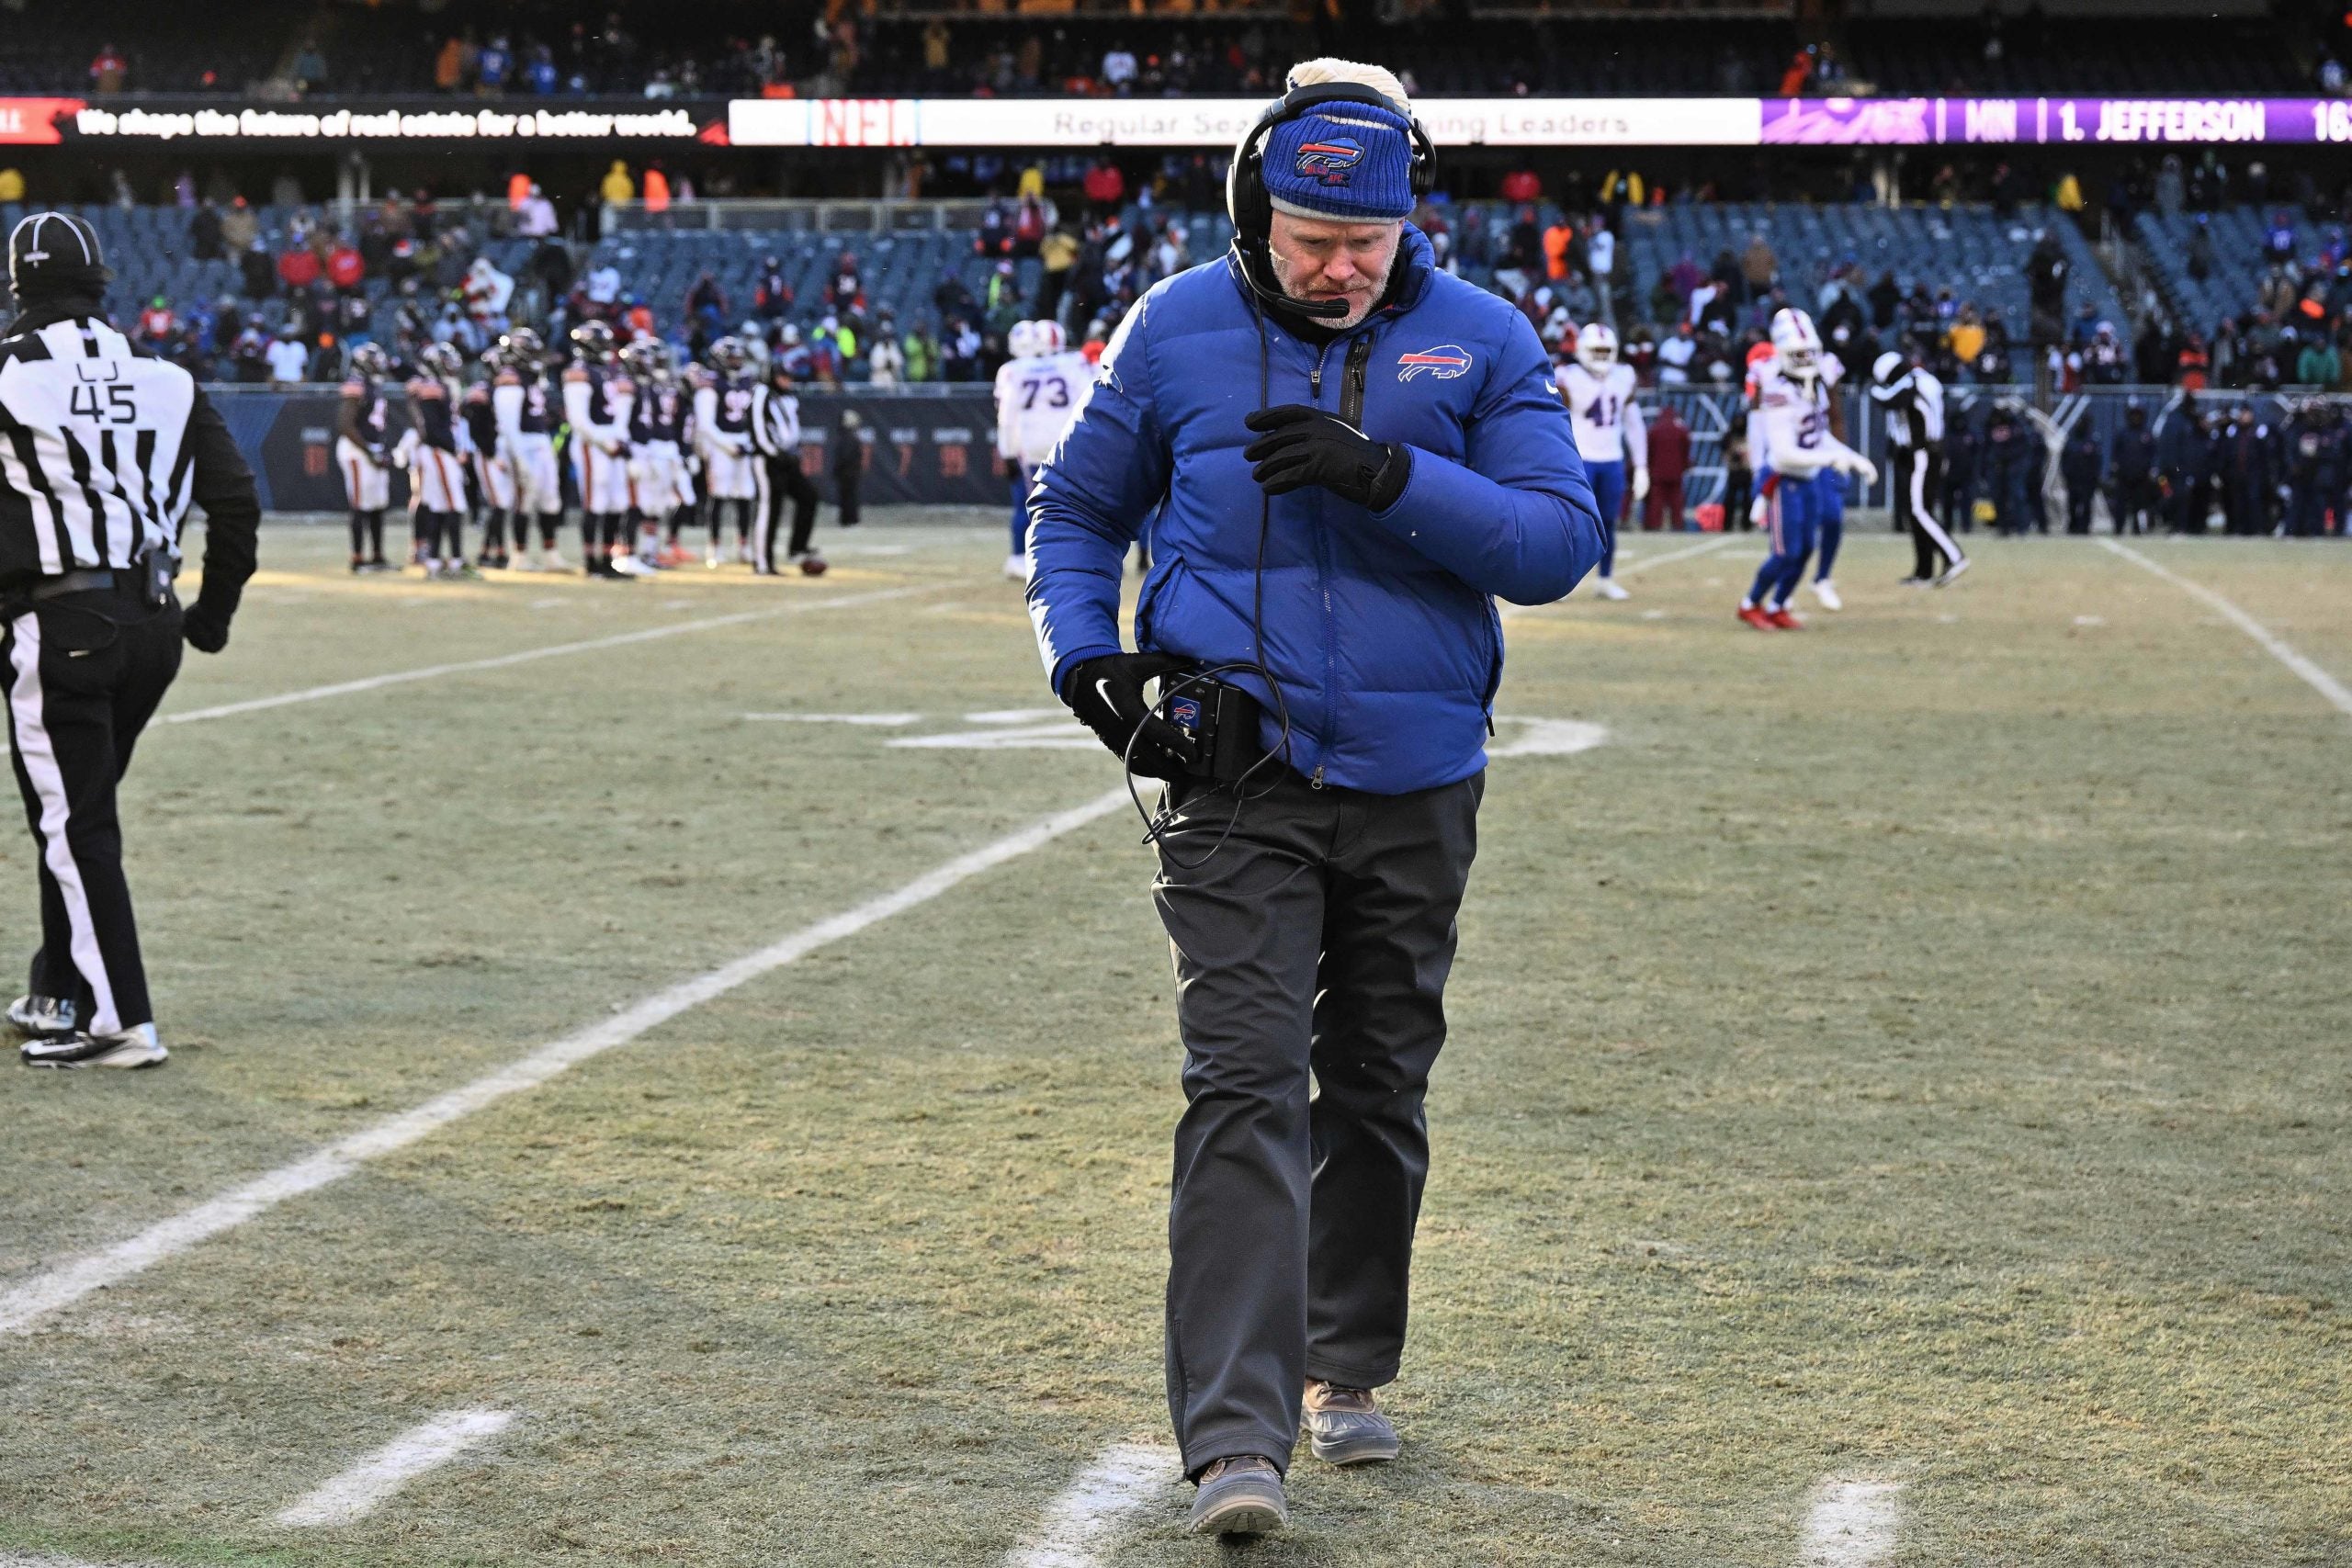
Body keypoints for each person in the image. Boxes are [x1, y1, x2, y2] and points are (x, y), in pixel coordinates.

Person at [1024, 62, 1602, 1537]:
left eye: (1370, 240)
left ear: (1411, 220)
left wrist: (1386, 473)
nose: (1342, 267)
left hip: (1419, 778)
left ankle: (1349, 1363)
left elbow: (1554, 543)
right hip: (1236, 776)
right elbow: (1078, 509)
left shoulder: (1482, 338)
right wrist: (1085, 649)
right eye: (1310, 238)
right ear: (1253, 211)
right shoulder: (1173, 327)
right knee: (1240, 1081)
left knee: (1379, 1083)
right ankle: (1236, 1435)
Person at [0, 212, 259, 1068]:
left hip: (62, 622)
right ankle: (58, 987)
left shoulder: (6, 373)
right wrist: (210, 616)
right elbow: (236, 502)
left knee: (74, 825)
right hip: (153, 626)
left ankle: (119, 1020)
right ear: (102, 280)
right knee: (75, 814)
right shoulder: (167, 377)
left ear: (18, 288)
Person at [1737, 309, 1875, 629]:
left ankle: (1778, 604)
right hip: (1784, 480)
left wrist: (1852, 457)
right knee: (1786, 552)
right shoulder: (1776, 387)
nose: (1805, 359)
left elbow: (1818, 436)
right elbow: (1784, 453)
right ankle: (1749, 603)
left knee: (1806, 549)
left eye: (1809, 352)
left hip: (1809, 477)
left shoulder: (1812, 383)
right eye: (1797, 354)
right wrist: (1829, 459)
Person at [993, 318, 1095, 580]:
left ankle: (1020, 557)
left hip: (1031, 446)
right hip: (1066, 442)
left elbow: (1007, 414)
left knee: (1027, 505)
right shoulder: (1074, 363)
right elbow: (1093, 393)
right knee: (1071, 505)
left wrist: (1006, 451)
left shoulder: (1013, 370)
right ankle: (1070, 557)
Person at [1558, 323, 1644, 600]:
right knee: (1572, 523)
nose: (1601, 356)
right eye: (1596, 350)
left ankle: (1605, 579)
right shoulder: (1566, 377)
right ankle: (1559, 581)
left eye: (1606, 350)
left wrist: (1641, 465)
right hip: (1579, 460)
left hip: (1612, 459)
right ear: (1582, 350)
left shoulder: (1624, 376)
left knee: (1608, 522)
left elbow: (1634, 423)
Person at [1870, 349, 1965, 585]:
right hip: (1924, 452)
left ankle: (1954, 556)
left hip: (1923, 453)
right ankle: (1924, 571)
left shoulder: (1911, 383)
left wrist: (1872, 388)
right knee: (1916, 513)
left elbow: (1890, 400)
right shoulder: (1924, 379)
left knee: (1920, 511)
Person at [561, 320, 643, 578]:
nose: (607, 348)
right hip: (591, 444)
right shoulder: (579, 372)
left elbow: (616, 415)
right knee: (595, 503)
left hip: (610, 442)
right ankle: (591, 562)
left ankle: (607, 559)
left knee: (615, 504)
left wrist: (621, 444)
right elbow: (578, 420)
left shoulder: (606, 372)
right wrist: (606, 442)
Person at [491, 327, 568, 570]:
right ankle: (519, 556)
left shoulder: (531, 378)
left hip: (539, 442)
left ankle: (550, 554)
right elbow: (509, 425)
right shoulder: (510, 379)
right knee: (523, 501)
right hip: (521, 444)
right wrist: (520, 457)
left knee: (549, 500)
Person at [401, 342, 473, 576]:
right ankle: (455, 561)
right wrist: (453, 450)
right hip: (438, 452)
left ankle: (434, 560)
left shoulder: (438, 386)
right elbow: (432, 428)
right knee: (452, 505)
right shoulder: (431, 387)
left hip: (437, 451)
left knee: (439, 507)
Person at [622, 339, 695, 569]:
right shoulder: (634, 386)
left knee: (659, 504)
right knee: (641, 503)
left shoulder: (663, 385)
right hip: (645, 448)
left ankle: (649, 552)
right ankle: (630, 551)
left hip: (662, 448)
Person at [692, 336, 759, 566]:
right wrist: (728, 445)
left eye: (739, 357)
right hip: (720, 444)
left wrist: (749, 442)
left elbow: (754, 418)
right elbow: (706, 423)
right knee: (718, 495)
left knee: (745, 496)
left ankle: (744, 546)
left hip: (744, 441)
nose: (737, 362)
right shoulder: (710, 384)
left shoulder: (748, 382)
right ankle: (715, 546)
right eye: (732, 358)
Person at [749, 355, 820, 573]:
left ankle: (797, 548)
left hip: (787, 458)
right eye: (782, 376)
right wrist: (772, 451)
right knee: (769, 508)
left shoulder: (787, 397)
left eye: (789, 376)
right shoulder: (762, 393)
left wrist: (793, 451)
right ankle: (762, 561)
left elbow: (791, 429)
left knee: (809, 496)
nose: (787, 380)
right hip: (768, 459)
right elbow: (757, 426)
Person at [336, 343, 396, 571]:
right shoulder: (356, 385)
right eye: (374, 361)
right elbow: (345, 425)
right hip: (356, 451)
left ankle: (378, 557)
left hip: (371, 448)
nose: (379, 365)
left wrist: (379, 448)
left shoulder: (374, 385)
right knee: (360, 505)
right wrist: (370, 451)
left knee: (377, 504)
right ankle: (358, 559)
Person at [2108, 401, 2159, 536]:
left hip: (2141, 478)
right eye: (2133, 415)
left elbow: (2153, 454)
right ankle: (2118, 529)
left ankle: (2138, 530)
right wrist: (2115, 467)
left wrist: (2151, 469)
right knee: (2120, 505)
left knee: (2140, 505)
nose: (2136, 418)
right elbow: (2115, 454)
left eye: (2138, 415)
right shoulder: (2122, 434)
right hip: (2123, 476)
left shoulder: (2147, 435)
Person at [1642, 398, 1690, 532]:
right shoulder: (1681, 430)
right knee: (1676, 500)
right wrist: (1685, 465)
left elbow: (1649, 451)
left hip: (1658, 471)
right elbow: (1686, 449)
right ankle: (1678, 524)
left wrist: (1648, 467)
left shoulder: (1654, 430)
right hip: (1676, 471)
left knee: (1657, 501)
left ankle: (1655, 524)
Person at [2060, 419, 2103, 535]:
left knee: (2086, 504)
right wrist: (2066, 474)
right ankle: (2072, 526)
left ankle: (2084, 527)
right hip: (2073, 479)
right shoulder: (2070, 441)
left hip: (2087, 480)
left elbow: (2097, 461)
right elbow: (2064, 459)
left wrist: (2095, 477)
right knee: (2072, 505)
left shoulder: (2092, 441)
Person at [830, 408, 864, 529]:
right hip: (848, 472)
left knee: (848, 496)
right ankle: (849, 520)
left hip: (847, 472)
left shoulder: (846, 436)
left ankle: (847, 520)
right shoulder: (848, 437)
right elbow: (845, 456)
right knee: (848, 497)